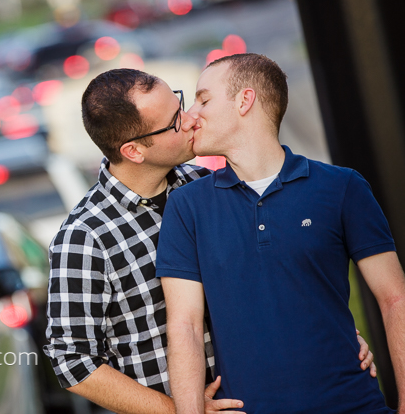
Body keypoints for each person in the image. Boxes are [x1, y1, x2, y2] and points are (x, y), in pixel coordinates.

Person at [43, 68, 376, 414]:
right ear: (134, 151)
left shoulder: (204, 183)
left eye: (181, 104)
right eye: (174, 122)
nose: (190, 121)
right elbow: (72, 361)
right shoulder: (84, 238)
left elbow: (274, 274)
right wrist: (180, 410)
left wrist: (336, 334)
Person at [156, 53, 405, 414]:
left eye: (204, 99)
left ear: (245, 100)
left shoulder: (341, 187)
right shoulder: (186, 206)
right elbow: (185, 327)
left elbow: (395, 298)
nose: (191, 114)